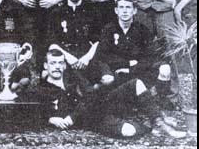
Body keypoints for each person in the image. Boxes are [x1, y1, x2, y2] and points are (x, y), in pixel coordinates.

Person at [32, 48, 186, 139]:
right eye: (53, 63)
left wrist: (71, 117)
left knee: (136, 83)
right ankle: (148, 126)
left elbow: (91, 95)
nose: (57, 67)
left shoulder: (73, 76)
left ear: (65, 65)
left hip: (103, 103)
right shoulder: (41, 89)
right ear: (46, 65)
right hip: (93, 119)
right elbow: (34, 112)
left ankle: (158, 122)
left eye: (60, 63)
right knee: (129, 131)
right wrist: (51, 119)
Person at [95, 0, 177, 109]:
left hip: (136, 70)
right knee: (108, 82)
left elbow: (150, 56)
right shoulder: (108, 29)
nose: (124, 11)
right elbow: (103, 55)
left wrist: (132, 68)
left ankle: (160, 101)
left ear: (134, 11)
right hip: (116, 72)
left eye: (128, 7)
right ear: (116, 10)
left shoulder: (142, 30)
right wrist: (127, 64)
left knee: (164, 68)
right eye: (121, 7)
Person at [45, 0, 105, 83]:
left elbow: (98, 39)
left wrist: (86, 58)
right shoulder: (56, 13)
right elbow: (52, 41)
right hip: (65, 56)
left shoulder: (92, 12)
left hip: (86, 56)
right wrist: (68, 57)